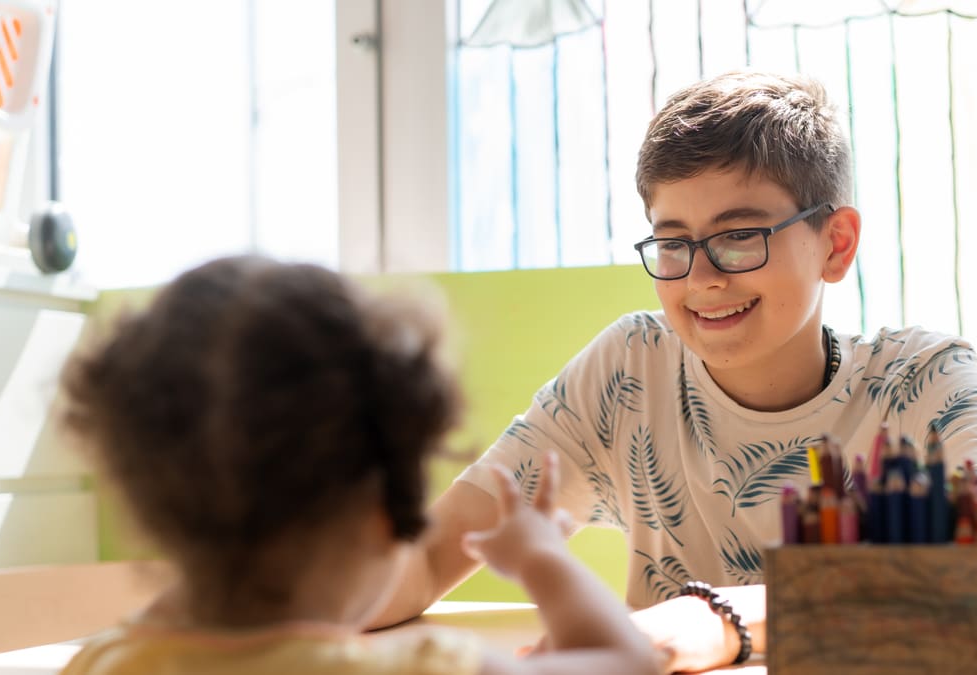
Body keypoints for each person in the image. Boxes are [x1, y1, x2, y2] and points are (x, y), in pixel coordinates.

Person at [372, 69, 977, 671]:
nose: (701, 276)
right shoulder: (627, 370)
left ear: (836, 241)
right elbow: (431, 558)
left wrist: (716, 622)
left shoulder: (925, 380)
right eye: (673, 243)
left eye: (739, 237)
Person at [56, 255, 661, 675]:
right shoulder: (424, 668)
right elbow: (625, 661)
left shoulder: (101, 663)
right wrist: (543, 560)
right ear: (383, 515)